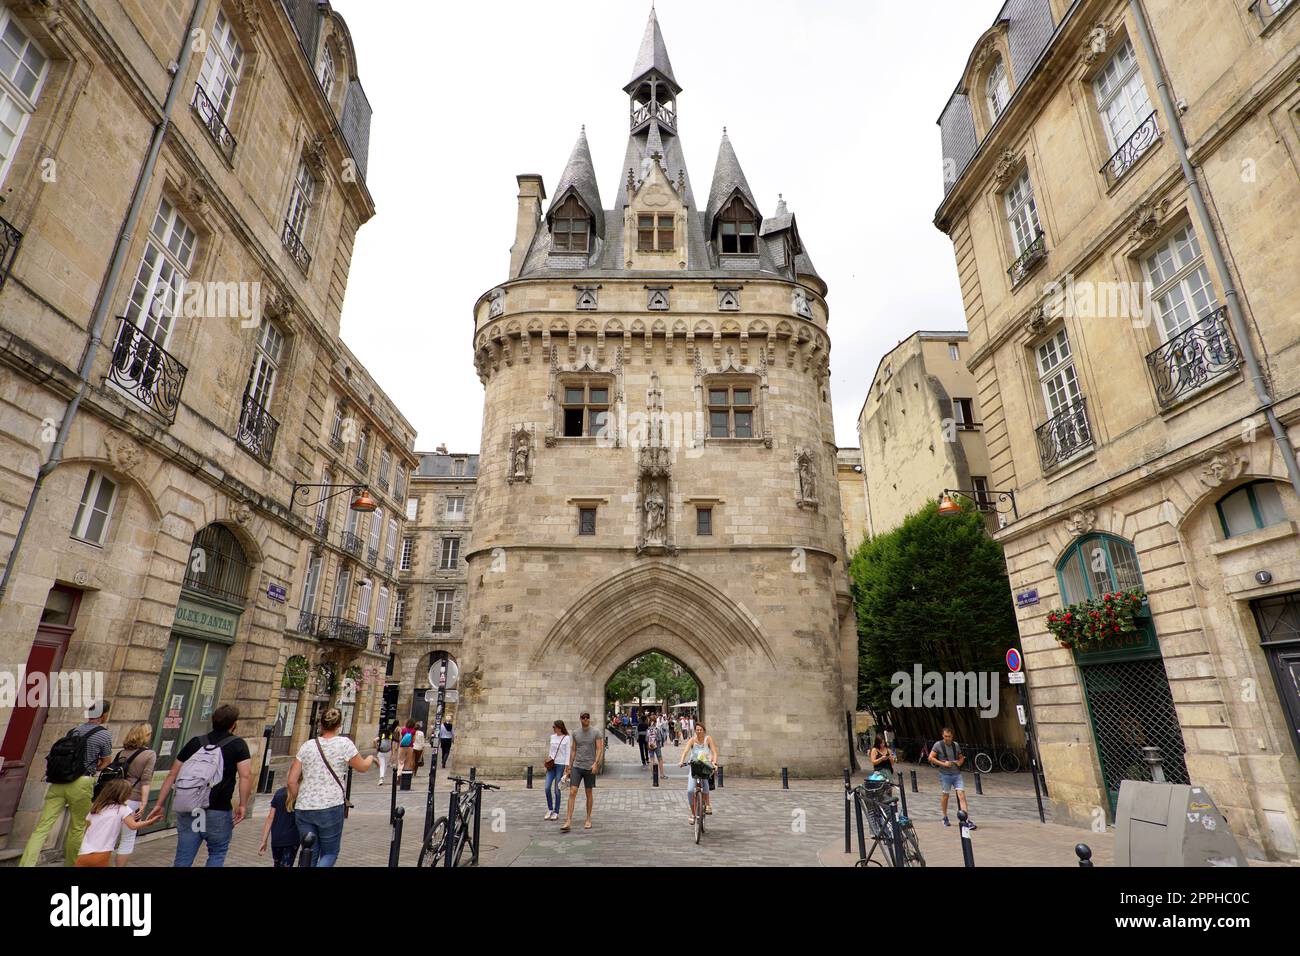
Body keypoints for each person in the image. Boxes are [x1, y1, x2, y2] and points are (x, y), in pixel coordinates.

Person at [152, 704, 253, 867]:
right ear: (234, 724)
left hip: (190, 807)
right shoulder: (238, 745)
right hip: (218, 809)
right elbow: (246, 776)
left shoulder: (195, 742)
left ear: (212, 721)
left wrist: (159, 803)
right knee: (217, 853)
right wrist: (242, 804)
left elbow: (172, 774)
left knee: (183, 857)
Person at [20, 700, 114, 867]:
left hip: (59, 781)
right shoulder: (104, 734)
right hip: (82, 782)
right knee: (77, 827)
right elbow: (106, 761)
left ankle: (26, 864)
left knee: (42, 827)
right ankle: (71, 865)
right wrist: (94, 766)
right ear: (104, 715)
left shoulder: (73, 731)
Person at [286, 707, 377, 867]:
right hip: (331, 806)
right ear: (339, 725)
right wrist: (370, 757)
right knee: (329, 853)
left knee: (308, 853)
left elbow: (292, 780)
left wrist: (298, 798)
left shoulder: (307, 746)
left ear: (321, 725)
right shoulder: (344, 744)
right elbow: (362, 767)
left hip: (304, 807)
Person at [75, 780, 161, 867]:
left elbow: (88, 825)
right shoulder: (123, 809)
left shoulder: (96, 807)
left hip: (83, 853)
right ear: (125, 795)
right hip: (102, 853)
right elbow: (133, 826)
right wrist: (150, 821)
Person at [108, 723, 157, 866]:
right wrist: (144, 802)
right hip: (133, 798)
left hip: (115, 798)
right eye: (149, 734)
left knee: (109, 836)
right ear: (145, 736)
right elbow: (146, 780)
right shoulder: (149, 754)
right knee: (127, 838)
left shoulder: (121, 753)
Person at [561, 711, 604, 832]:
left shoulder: (596, 732)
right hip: (577, 765)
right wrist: (569, 766)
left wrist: (596, 763)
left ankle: (588, 818)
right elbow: (573, 749)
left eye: (587, 717)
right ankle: (568, 820)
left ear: (589, 719)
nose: (585, 719)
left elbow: (599, 749)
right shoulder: (575, 733)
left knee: (588, 792)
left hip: (589, 766)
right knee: (572, 791)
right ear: (580, 719)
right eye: (583, 717)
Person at [929, 727, 976, 830]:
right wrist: (943, 763)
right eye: (945, 736)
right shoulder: (938, 745)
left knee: (962, 795)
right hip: (945, 774)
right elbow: (930, 758)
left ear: (952, 736)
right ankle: (945, 817)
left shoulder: (956, 745)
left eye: (949, 737)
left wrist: (960, 762)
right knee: (946, 795)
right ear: (942, 735)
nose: (947, 738)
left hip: (956, 774)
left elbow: (961, 757)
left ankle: (966, 819)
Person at [679, 721, 718, 824]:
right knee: (690, 791)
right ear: (695, 730)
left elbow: (714, 751)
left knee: (705, 784)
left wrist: (714, 762)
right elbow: (685, 751)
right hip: (694, 766)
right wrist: (682, 761)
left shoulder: (708, 739)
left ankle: (708, 804)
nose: (699, 731)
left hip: (705, 766)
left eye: (701, 730)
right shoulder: (692, 740)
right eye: (697, 730)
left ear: (704, 730)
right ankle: (692, 813)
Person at [258, 785, 300, 867]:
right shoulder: (300, 795)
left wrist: (264, 840)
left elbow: (270, 817)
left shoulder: (279, 793)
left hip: (276, 839)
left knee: (277, 864)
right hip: (291, 840)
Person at [544, 720, 572, 821]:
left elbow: (567, 753)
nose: (553, 729)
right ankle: (550, 809)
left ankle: (556, 811)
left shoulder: (566, 738)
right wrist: (547, 762)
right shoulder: (552, 737)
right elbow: (551, 751)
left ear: (559, 727)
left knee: (557, 789)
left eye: (554, 727)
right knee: (547, 787)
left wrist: (567, 768)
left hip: (560, 765)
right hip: (551, 765)